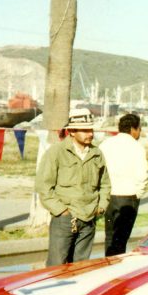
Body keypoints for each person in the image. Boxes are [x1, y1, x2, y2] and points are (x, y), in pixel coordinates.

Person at [36, 109, 111, 266]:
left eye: (91, 130)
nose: (90, 134)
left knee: (81, 267)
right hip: (65, 219)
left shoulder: (97, 153)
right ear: (71, 131)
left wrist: (101, 207)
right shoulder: (56, 152)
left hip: (89, 219)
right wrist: (63, 211)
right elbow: (44, 187)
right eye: (84, 130)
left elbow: (105, 184)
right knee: (57, 266)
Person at [100, 113, 148, 256]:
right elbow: (142, 176)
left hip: (109, 196)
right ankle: (116, 269)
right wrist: (138, 194)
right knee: (121, 239)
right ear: (133, 129)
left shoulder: (105, 144)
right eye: (139, 129)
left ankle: (108, 264)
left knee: (109, 236)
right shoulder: (137, 147)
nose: (139, 132)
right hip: (128, 198)